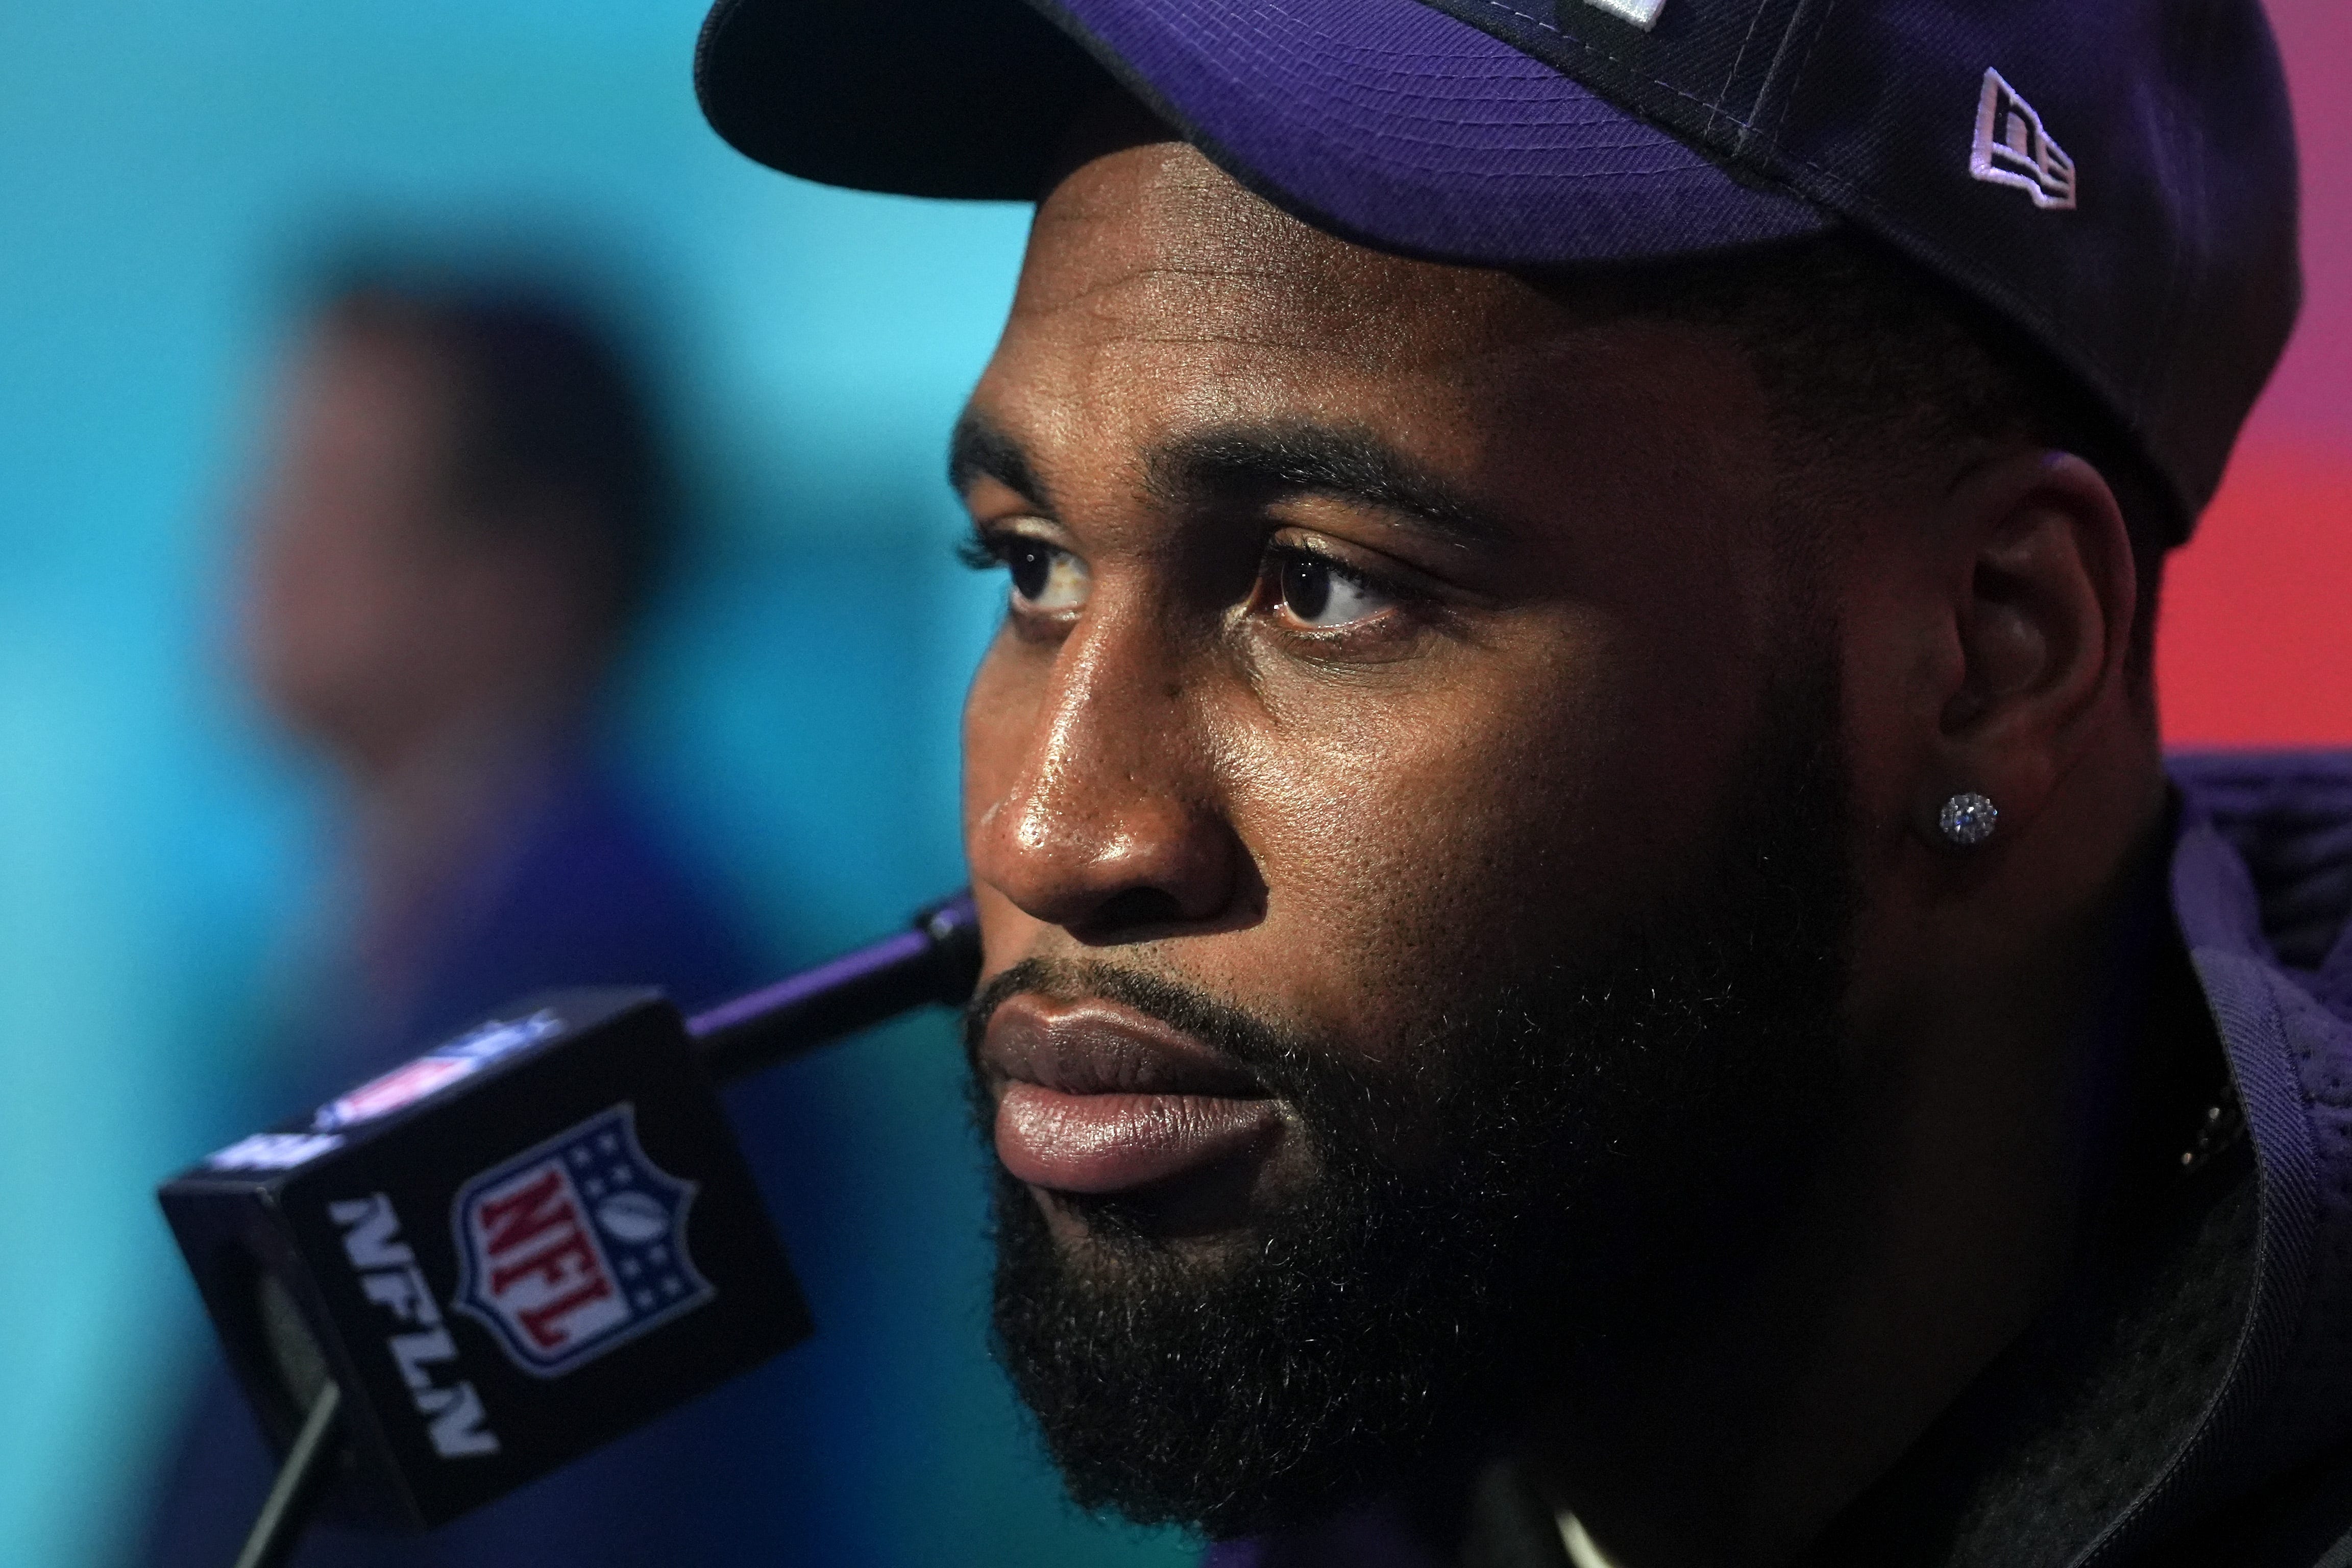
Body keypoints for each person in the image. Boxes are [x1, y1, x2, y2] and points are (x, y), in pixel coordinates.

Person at [695, 1, 2352, 1564]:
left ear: (1990, 654)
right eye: (1034, 565)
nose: (1050, 833)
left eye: (1321, 586)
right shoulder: (1422, 1408)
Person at [140, 274, 816, 1567]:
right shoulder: (394, 936)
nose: (252, 536)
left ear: (528, 577)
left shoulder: (609, 983)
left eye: (330, 489)